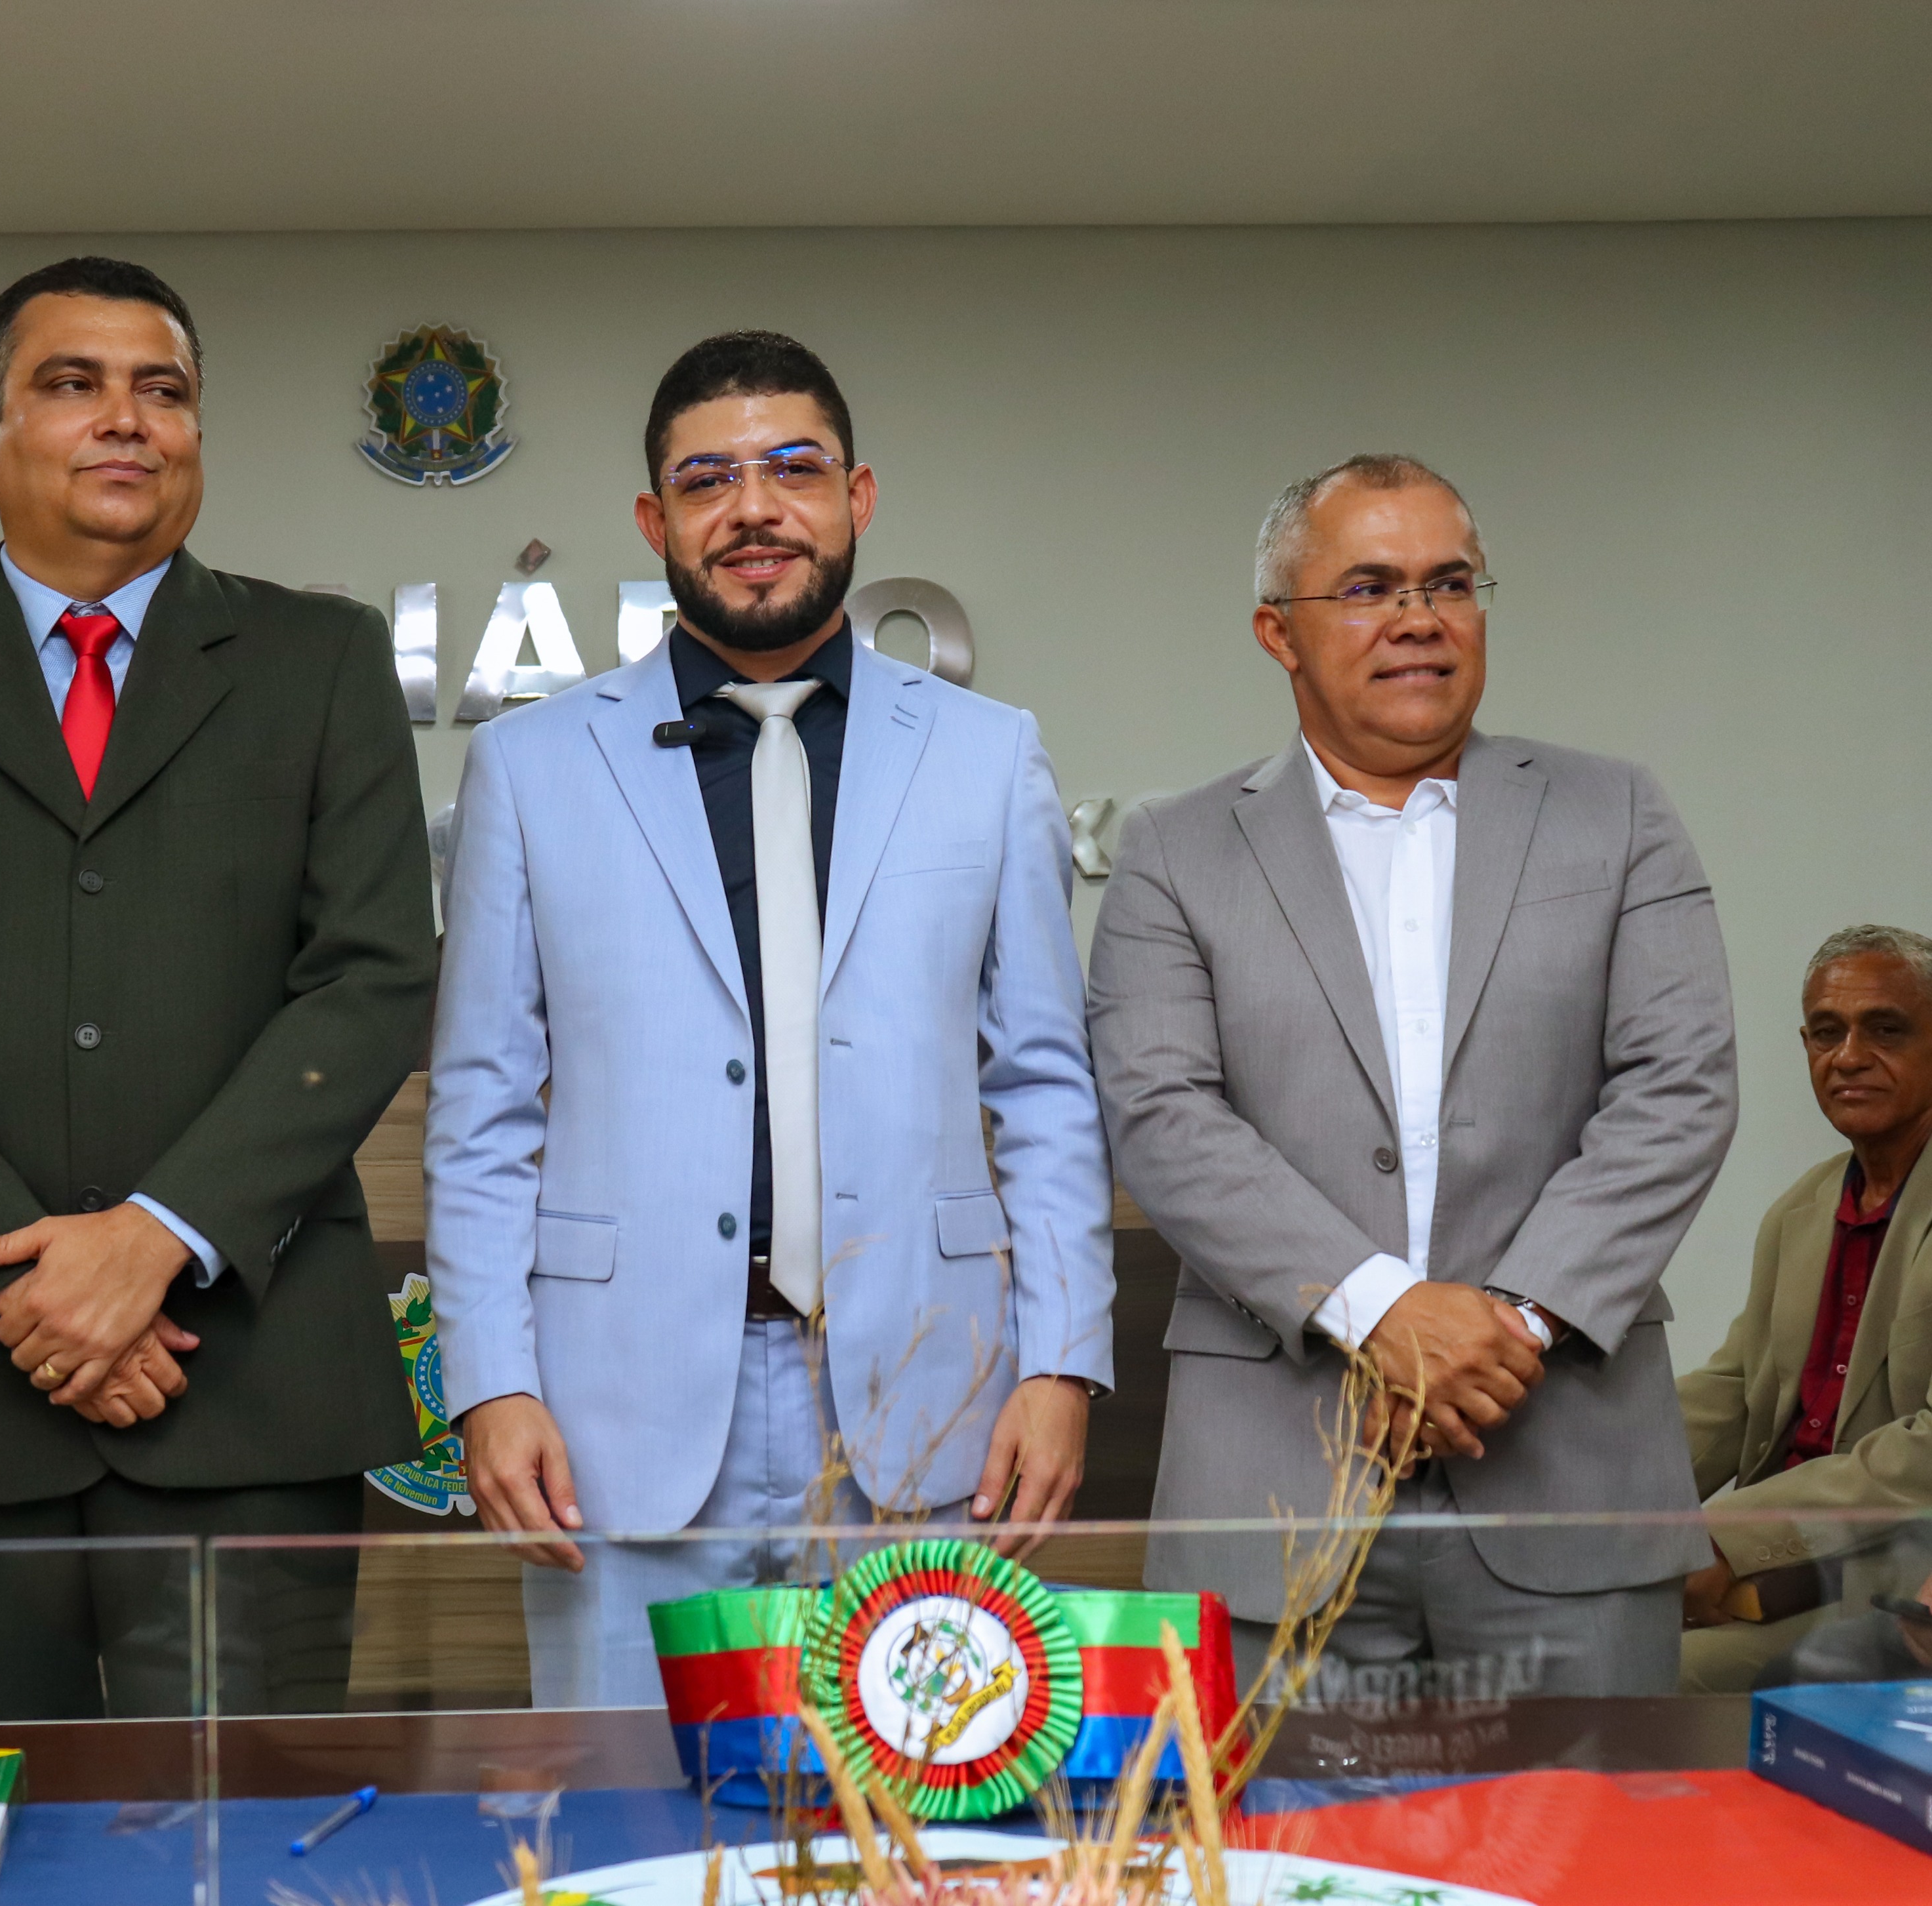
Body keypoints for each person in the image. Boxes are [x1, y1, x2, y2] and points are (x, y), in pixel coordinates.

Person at [0, 256, 434, 1721]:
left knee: (246, 1823)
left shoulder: (321, 660)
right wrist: (32, 1290)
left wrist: (153, 1240)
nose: (126, 417)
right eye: (72, 384)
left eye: (163, 390)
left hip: (247, 1391)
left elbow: (374, 975)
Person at [426, 331, 1114, 1706]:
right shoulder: (530, 766)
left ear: (858, 497)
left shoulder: (988, 757)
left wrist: (1060, 1363)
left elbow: (1044, 1087)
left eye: (793, 469)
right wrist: (490, 1383)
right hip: (614, 1412)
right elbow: (482, 1106)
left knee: (915, 1793)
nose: (753, 508)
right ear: (655, 521)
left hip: (929, 1392)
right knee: (629, 1801)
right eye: (708, 480)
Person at [1087, 453, 1736, 1699]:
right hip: (1274, 1489)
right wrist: (1383, 1310)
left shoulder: (1617, 815)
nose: (1418, 617)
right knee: (1274, 1830)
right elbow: (1162, 1116)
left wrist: (1508, 1327)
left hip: (1567, 1468)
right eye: (1369, 587)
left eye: (1448, 583)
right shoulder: (1175, 849)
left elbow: (1680, 1087)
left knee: (1590, 1826)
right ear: (1278, 631)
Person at [1677, 925, 1932, 1691]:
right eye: (1825, 1032)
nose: (1847, 1056)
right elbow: (1732, 1388)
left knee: (1643, 1675)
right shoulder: (1801, 1207)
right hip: (1772, 1562)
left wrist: (1725, 1536)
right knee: (1544, 1631)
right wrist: (1599, 1490)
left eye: (1884, 1029)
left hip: (1894, 1578)